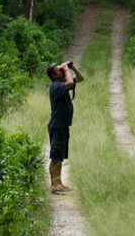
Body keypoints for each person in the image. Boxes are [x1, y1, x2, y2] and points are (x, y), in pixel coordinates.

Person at [46, 60, 84, 194]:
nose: (62, 71)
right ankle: (54, 187)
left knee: (60, 156)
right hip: (57, 126)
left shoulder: (62, 84)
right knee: (55, 157)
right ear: (54, 76)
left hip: (62, 126)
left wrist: (72, 67)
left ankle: (59, 184)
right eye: (59, 70)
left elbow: (80, 78)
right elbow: (69, 83)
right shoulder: (56, 86)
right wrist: (67, 70)